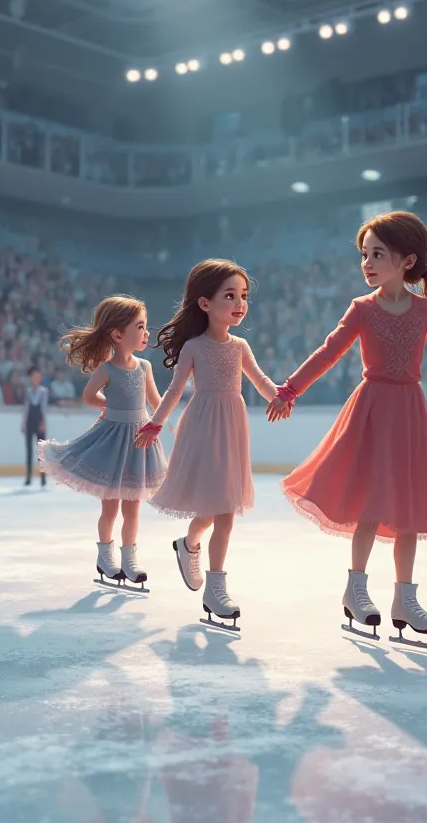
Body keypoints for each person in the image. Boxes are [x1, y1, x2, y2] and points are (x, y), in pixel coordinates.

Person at [266, 211, 427, 647]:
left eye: (377, 254)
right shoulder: (362, 309)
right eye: (364, 254)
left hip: (409, 412)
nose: (367, 263)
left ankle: (404, 599)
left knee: (408, 509)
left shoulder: (424, 310)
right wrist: (290, 389)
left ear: (407, 260)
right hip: (372, 410)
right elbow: (328, 352)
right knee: (371, 505)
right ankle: (356, 589)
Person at [135, 260, 281, 630]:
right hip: (202, 426)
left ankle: (208, 577)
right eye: (229, 295)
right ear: (204, 304)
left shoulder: (241, 346)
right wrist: (156, 423)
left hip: (233, 425)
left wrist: (280, 395)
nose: (239, 303)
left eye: (243, 296)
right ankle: (195, 554)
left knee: (226, 508)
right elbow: (174, 390)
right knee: (213, 507)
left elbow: (261, 380)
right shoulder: (195, 348)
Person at [39, 296, 167, 588]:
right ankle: (105, 556)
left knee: (133, 507)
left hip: (139, 441)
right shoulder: (107, 369)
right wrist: (110, 408)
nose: (147, 333)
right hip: (112, 440)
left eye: (145, 327)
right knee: (110, 508)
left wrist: (165, 421)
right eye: (140, 327)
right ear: (118, 334)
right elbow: (88, 397)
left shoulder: (144, 367)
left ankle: (130, 559)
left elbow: (156, 400)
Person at [22, 366, 49, 487]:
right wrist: (24, 422)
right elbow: (26, 408)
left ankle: (43, 477)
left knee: (41, 450)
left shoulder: (43, 391)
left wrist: (43, 422)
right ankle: (28, 476)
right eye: (33, 377)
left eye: (37, 377)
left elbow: (43, 407)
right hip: (30, 420)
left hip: (39, 420)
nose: (35, 379)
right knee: (28, 449)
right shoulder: (28, 392)